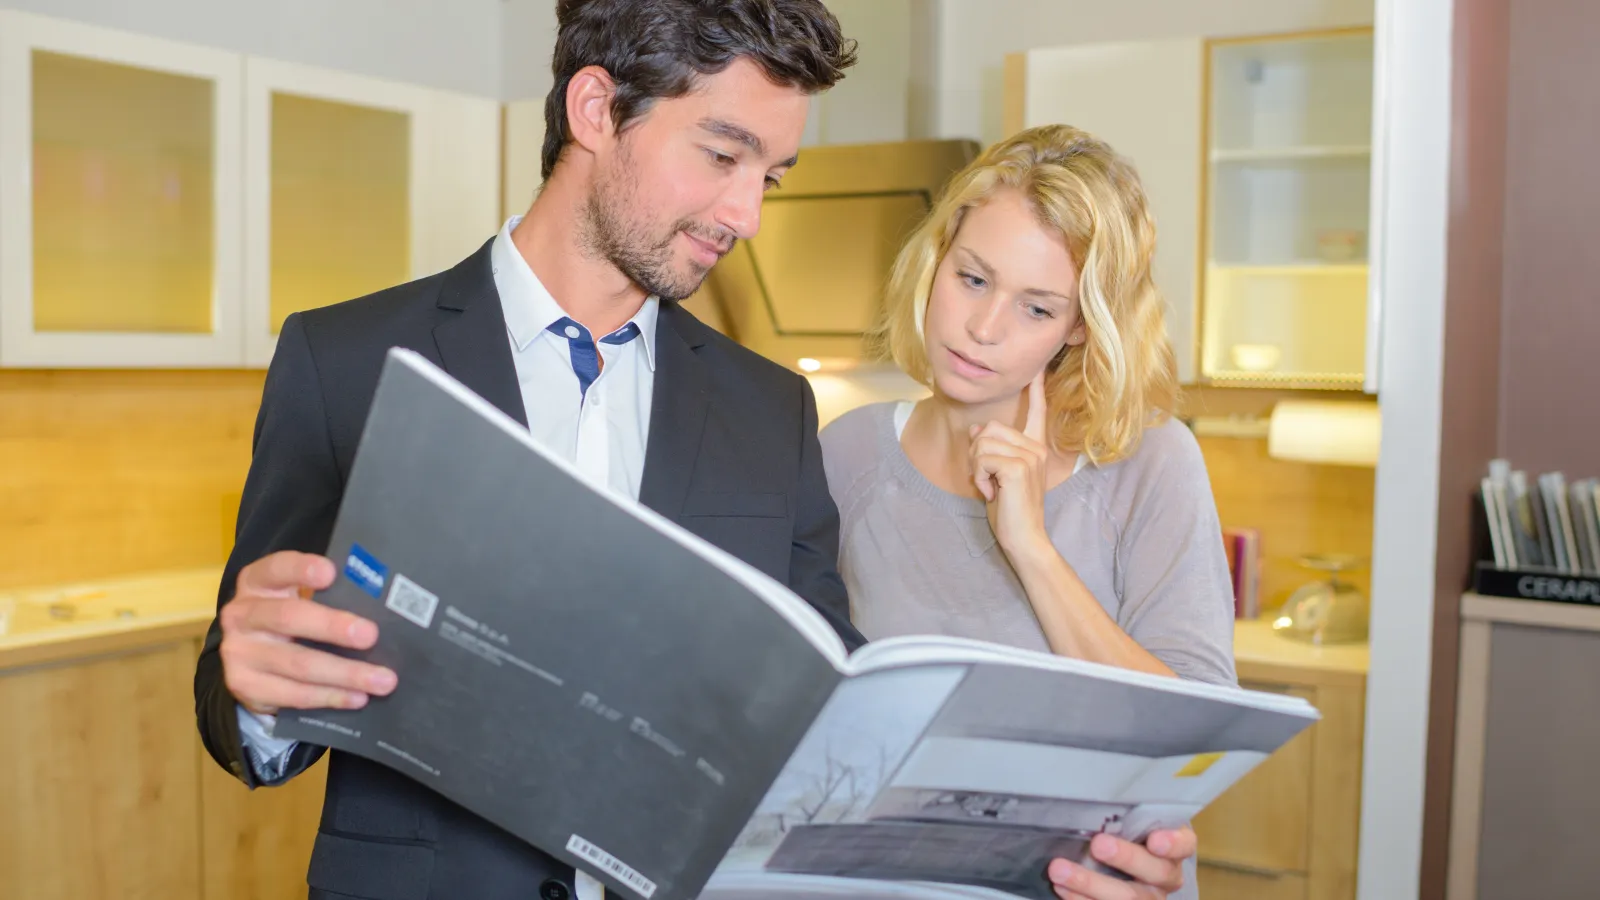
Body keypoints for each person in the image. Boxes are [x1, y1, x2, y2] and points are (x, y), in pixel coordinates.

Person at [192, 1, 1198, 896]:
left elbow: (831, 719)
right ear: (596, 110)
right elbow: (243, 675)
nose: (746, 215)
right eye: (722, 156)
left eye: (770, 174)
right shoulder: (348, 357)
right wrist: (256, 695)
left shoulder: (772, 411)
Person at [820, 124, 1239, 900]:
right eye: (973, 279)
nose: (984, 329)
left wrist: (1032, 547)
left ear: (1080, 326)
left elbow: (1194, 739)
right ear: (938, 256)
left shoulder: (1149, 463)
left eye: (1037, 308)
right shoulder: (846, 456)